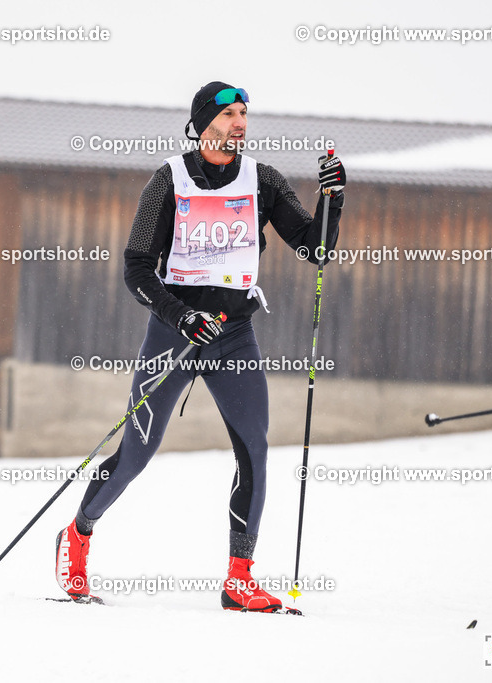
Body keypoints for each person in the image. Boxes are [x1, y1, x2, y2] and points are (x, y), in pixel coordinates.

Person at [55, 81, 345, 612]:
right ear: (203, 122)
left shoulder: (264, 180)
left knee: (253, 449)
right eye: (229, 113)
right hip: (175, 335)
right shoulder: (168, 180)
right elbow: (137, 268)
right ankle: (78, 537)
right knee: (136, 455)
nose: (240, 122)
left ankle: (239, 579)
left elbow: (316, 248)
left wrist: (333, 199)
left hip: (233, 336)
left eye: (244, 114)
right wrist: (179, 315)